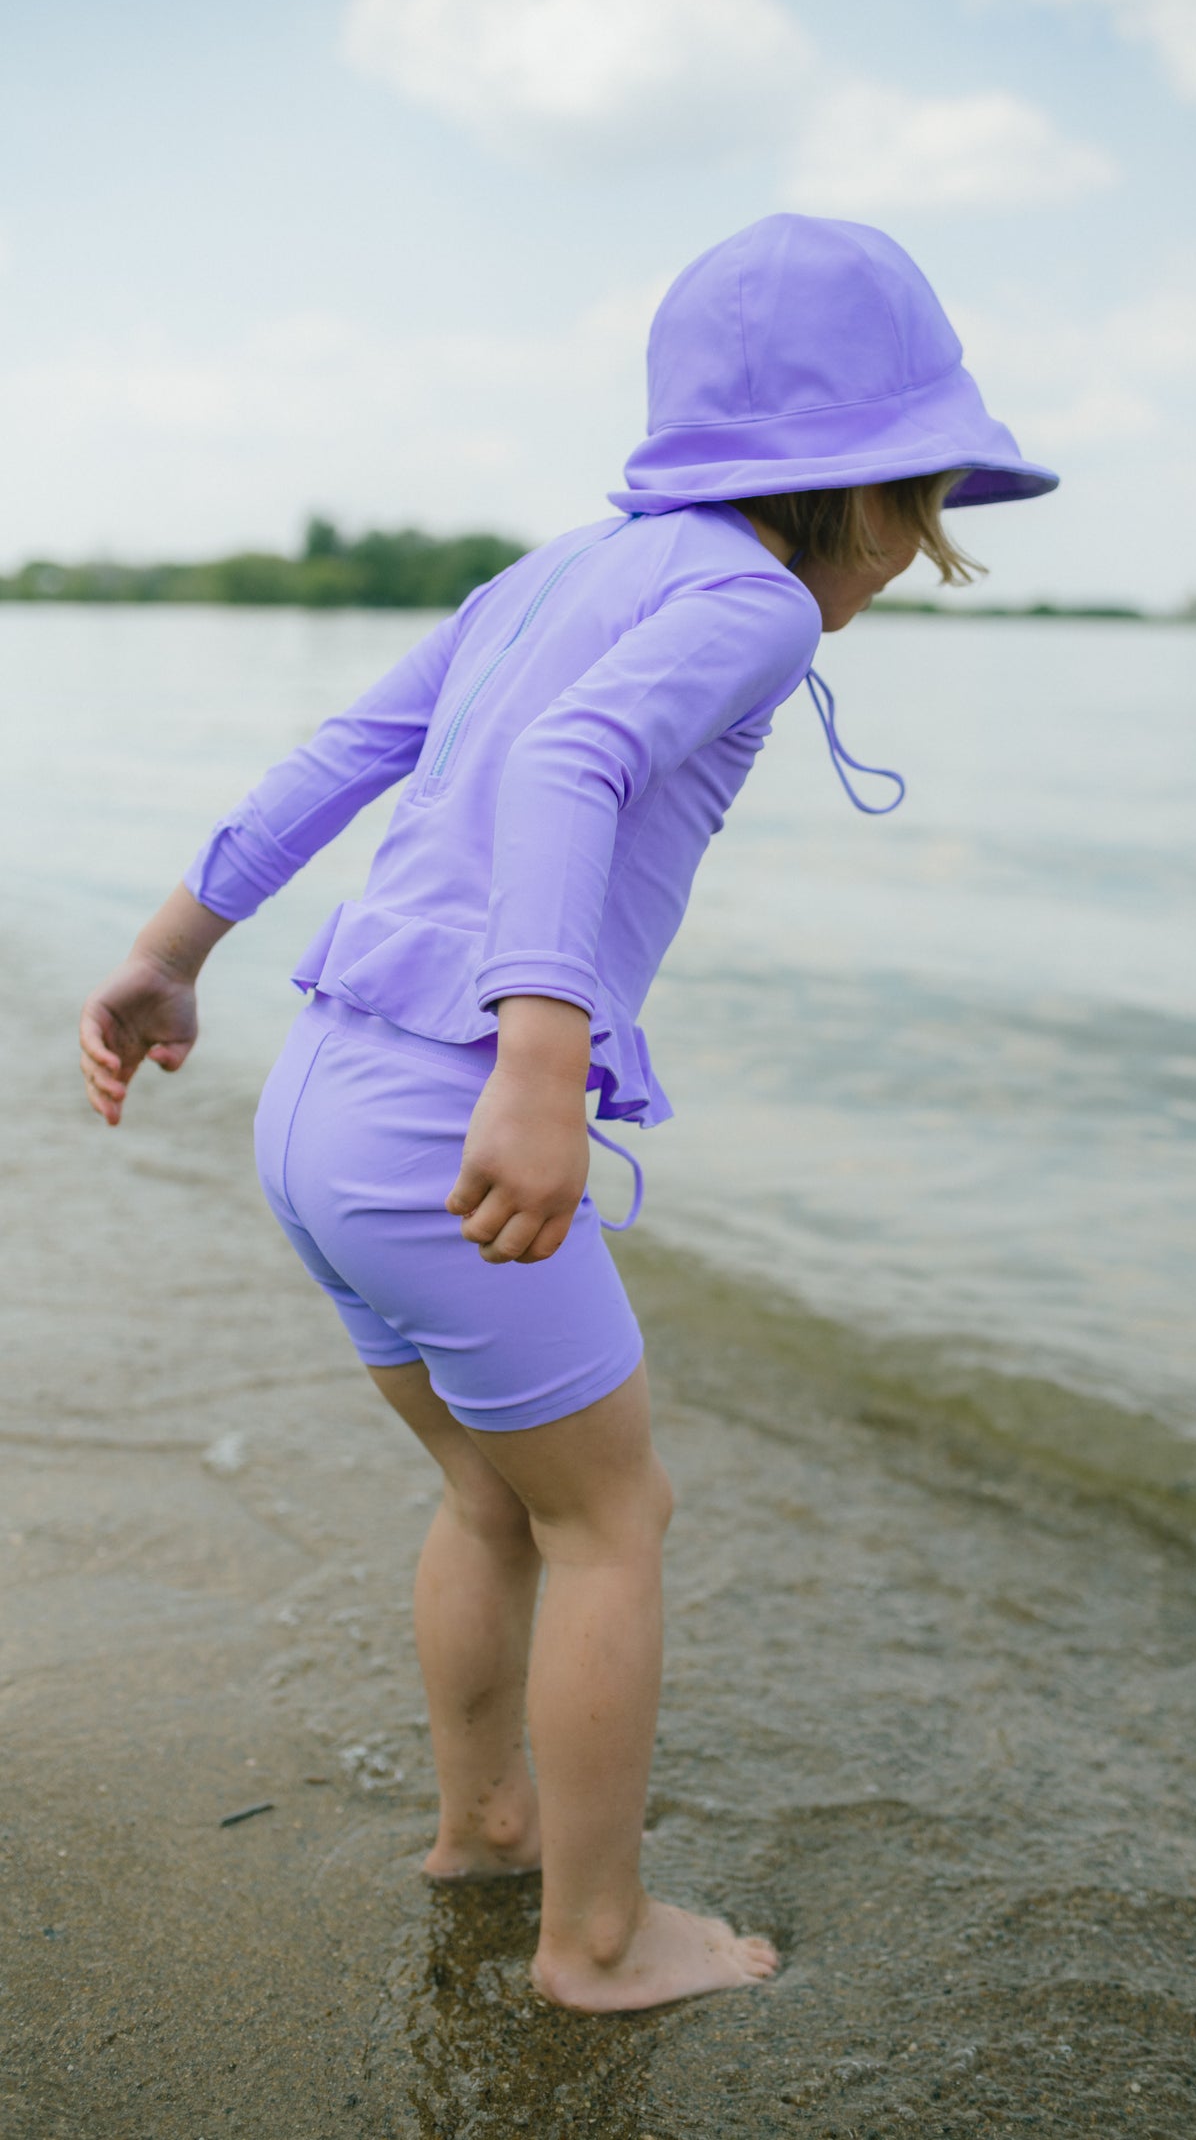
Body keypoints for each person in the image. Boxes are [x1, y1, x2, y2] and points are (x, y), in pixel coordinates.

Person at [78, 213, 1057, 2013]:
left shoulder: (540, 576)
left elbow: (347, 755)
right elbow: (568, 763)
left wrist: (167, 950)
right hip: (450, 1108)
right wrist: (541, 1066)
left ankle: (486, 1828)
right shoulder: (753, 600)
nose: (922, 551)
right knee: (614, 1519)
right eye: (924, 501)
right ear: (862, 484)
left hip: (317, 1099)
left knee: (490, 1495)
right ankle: (598, 1943)